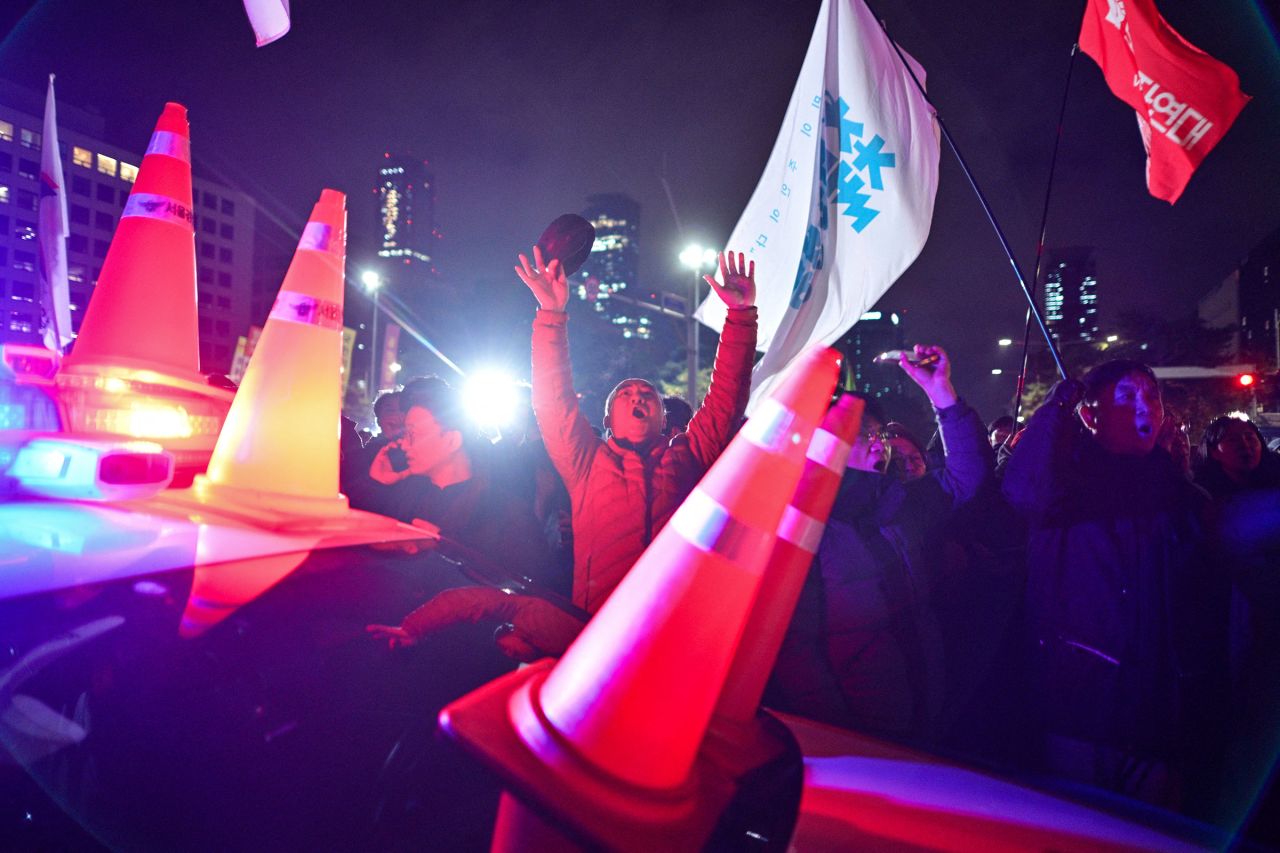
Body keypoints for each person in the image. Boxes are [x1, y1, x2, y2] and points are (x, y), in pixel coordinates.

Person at [1002, 360, 1228, 811]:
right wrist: (1055, 407)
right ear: (1092, 415)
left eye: (1151, 397)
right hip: (1078, 711)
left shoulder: (1181, 496)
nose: (1143, 408)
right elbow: (1022, 488)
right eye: (1126, 397)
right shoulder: (1063, 488)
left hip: (1156, 717)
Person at [771, 345, 994, 745]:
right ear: (823, 446)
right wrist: (836, 728)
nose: (878, 444)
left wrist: (941, 392)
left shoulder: (899, 503)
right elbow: (795, 650)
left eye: (877, 433)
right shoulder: (803, 528)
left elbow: (968, 477)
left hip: (930, 712)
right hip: (858, 735)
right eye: (861, 435)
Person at [516, 246, 757, 613]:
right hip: (599, 625)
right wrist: (551, 313)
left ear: (663, 419)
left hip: (676, 622)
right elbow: (554, 400)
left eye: (647, 393)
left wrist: (739, 316)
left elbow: (726, 397)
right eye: (625, 394)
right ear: (608, 420)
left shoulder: (690, 455)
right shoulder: (585, 463)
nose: (637, 396)